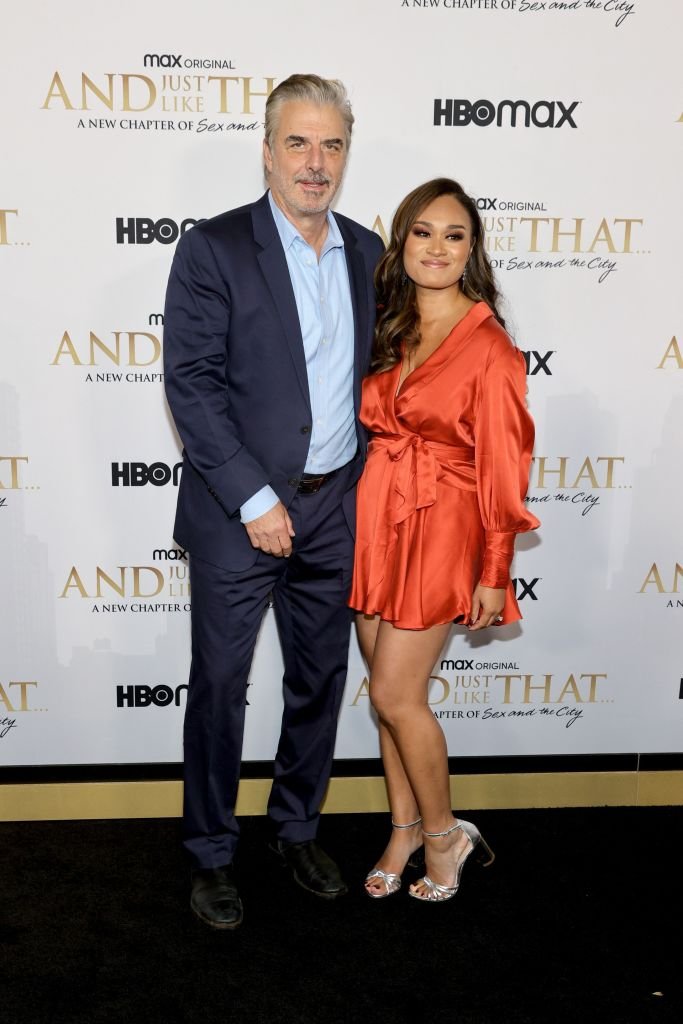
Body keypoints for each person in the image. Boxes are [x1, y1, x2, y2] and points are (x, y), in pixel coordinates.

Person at [163, 74, 384, 929]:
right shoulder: (214, 248)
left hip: (336, 505)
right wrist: (254, 497)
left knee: (319, 679)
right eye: (298, 142)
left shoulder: (367, 250)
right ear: (265, 150)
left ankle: (296, 827)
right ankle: (211, 850)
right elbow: (191, 383)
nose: (314, 162)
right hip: (236, 511)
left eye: (331, 144)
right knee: (219, 684)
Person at [349, 178, 540, 902]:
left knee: (400, 696)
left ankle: (442, 833)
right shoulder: (387, 323)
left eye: (453, 235)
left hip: (442, 527)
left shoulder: (489, 348)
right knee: (382, 693)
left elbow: (503, 469)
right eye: (422, 232)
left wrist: (494, 570)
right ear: (401, 243)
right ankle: (401, 828)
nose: (436, 247)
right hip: (378, 517)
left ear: (471, 250)